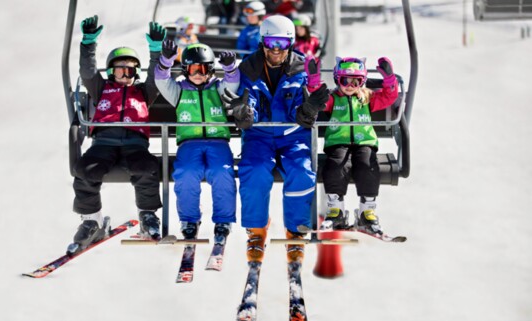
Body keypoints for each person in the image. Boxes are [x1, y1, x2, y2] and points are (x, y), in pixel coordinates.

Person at [224, 15, 329, 265]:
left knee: (302, 173)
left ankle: (295, 230)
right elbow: (245, 98)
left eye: (281, 43)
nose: (275, 49)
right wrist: (244, 113)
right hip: (259, 136)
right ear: (263, 42)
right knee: (255, 171)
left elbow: (306, 103)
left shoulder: (301, 69)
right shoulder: (249, 68)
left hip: (293, 137)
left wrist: (307, 112)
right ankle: (257, 230)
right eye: (271, 42)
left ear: (290, 43)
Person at [68, 16, 165, 255]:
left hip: (135, 143)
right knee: (85, 170)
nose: (125, 73)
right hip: (104, 142)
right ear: (111, 71)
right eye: (120, 69)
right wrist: (88, 44)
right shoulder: (101, 89)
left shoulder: (143, 91)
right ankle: (91, 221)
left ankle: (147, 215)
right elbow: (88, 72)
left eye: (131, 69)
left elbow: (156, 77)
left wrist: (156, 51)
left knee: (147, 167)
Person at [154, 40, 243, 242]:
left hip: (218, 142)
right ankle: (189, 219)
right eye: (194, 69)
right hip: (189, 142)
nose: (198, 74)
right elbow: (161, 80)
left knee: (222, 172)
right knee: (186, 173)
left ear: (211, 70)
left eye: (203, 69)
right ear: (186, 70)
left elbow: (232, 83)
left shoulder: (217, 89)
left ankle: (223, 221)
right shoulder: (178, 91)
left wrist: (230, 68)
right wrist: (166, 61)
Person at [320, 56, 399, 235]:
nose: (349, 85)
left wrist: (389, 79)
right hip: (338, 142)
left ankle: (367, 212)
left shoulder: (367, 98)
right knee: (335, 166)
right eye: (344, 80)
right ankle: (336, 210)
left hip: (365, 142)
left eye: (356, 81)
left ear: (362, 82)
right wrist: (314, 81)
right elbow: (317, 100)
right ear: (336, 80)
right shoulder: (333, 98)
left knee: (368, 166)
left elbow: (389, 96)